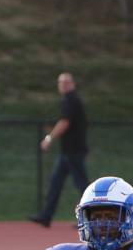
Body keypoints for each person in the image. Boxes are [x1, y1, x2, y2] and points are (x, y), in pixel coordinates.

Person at [29, 72, 89, 227]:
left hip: (74, 151)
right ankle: (46, 216)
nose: (62, 85)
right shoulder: (69, 100)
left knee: (82, 185)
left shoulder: (71, 100)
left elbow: (64, 122)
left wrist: (49, 138)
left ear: (71, 84)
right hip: (67, 152)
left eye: (65, 82)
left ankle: (89, 219)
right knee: (55, 182)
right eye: (60, 82)